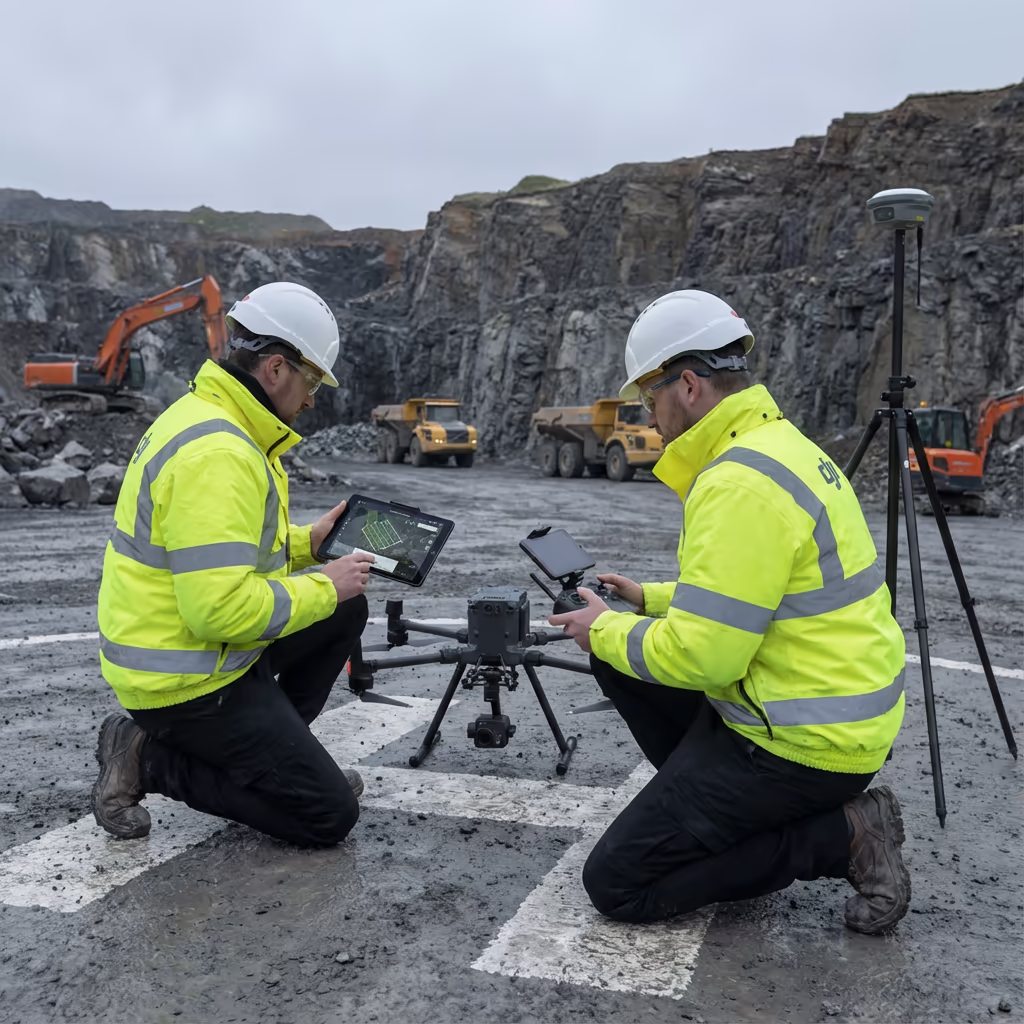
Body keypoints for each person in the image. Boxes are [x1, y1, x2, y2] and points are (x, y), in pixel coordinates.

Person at [550, 289, 910, 935]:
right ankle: (722, 821)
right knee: (620, 661)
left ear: (687, 385)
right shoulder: (778, 446)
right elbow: (754, 593)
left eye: (647, 398)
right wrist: (646, 599)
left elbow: (706, 654)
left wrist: (603, 628)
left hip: (803, 744)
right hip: (812, 710)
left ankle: (845, 834)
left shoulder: (738, 481)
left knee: (619, 883)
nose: (648, 416)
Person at [91, 281, 375, 848]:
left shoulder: (216, 419)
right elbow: (218, 611)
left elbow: (221, 546)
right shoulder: (219, 453)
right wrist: (322, 584)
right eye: (313, 380)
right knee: (326, 815)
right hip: (185, 679)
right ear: (275, 369)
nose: (314, 397)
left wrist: (307, 545)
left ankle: (283, 766)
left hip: (203, 654)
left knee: (345, 611)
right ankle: (148, 759)